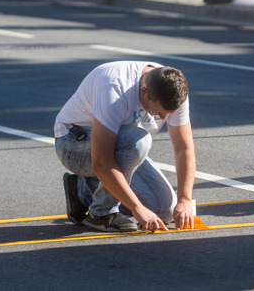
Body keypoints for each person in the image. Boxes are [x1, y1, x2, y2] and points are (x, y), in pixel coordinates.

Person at [54, 61, 196, 232]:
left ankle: (83, 190)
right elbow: (102, 161)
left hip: (121, 145)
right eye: (158, 111)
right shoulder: (115, 88)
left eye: (168, 113)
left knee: (165, 210)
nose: (162, 117)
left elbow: (184, 149)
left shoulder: (175, 88)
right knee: (139, 141)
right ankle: (100, 212)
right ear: (143, 90)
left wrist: (185, 200)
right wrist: (137, 207)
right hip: (73, 144)